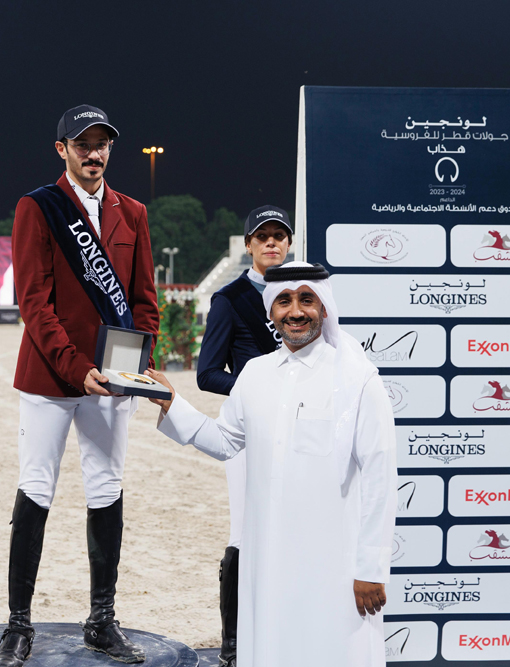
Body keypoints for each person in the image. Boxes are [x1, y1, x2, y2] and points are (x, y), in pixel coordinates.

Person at [147, 262, 397, 667]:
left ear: (324, 307)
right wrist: (172, 404)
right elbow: (226, 441)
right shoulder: (254, 374)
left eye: (306, 300)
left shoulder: (357, 378)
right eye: (284, 301)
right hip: (268, 561)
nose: (295, 311)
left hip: (331, 565)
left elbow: (381, 477)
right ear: (270, 311)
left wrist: (371, 567)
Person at [0, 104, 160, 667]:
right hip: (50, 377)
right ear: (61, 148)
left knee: (106, 488)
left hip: (111, 382)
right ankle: (18, 626)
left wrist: (137, 363)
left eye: (102, 144)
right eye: (82, 144)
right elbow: (33, 303)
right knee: (36, 487)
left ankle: (102, 620)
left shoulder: (132, 212)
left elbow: (144, 303)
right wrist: (73, 366)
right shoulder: (37, 208)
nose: (94, 153)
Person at [194, 205, 291, 667]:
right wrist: (256, 386)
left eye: (279, 236)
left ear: (289, 243)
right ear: (249, 244)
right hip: (247, 435)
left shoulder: (302, 294)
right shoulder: (230, 299)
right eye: (263, 236)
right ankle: (232, 645)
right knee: (243, 532)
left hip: (299, 432)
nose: (272, 243)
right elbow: (207, 374)